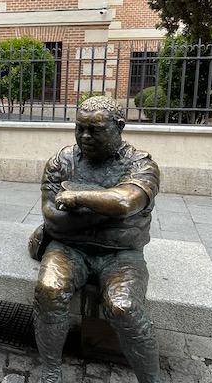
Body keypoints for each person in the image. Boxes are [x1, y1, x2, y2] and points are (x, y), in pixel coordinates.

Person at [29, 96, 161, 383]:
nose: (85, 136)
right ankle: (51, 371)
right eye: (80, 128)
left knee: (123, 305)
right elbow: (53, 219)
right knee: (49, 288)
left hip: (121, 254)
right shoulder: (62, 161)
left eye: (96, 130)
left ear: (119, 127)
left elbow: (126, 201)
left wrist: (78, 197)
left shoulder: (141, 165)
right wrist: (110, 210)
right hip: (69, 249)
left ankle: (152, 379)